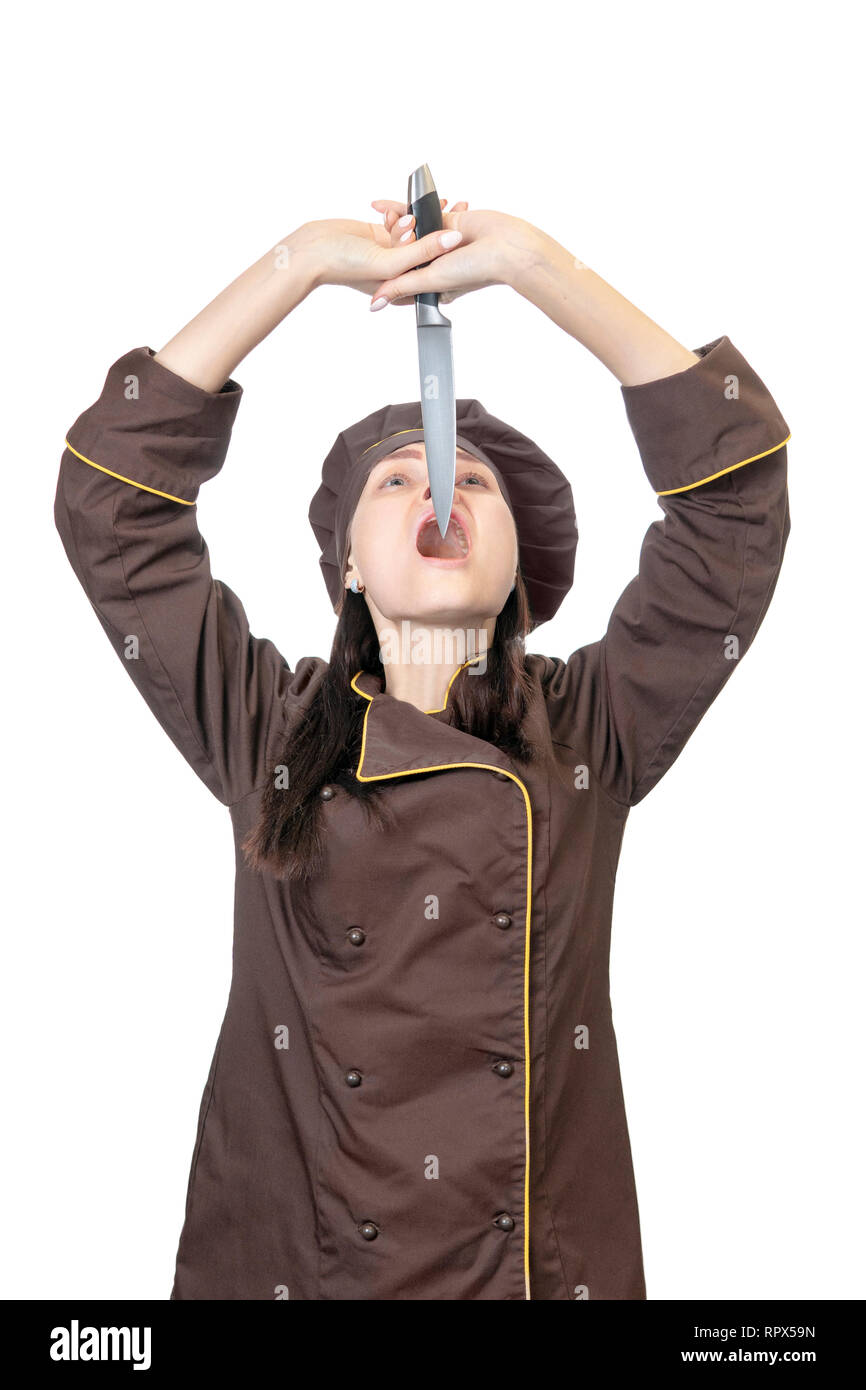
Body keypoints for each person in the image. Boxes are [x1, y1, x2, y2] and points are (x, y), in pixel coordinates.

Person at [53, 196, 791, 1301]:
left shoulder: (591, 727)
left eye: (471, 482)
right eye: (393, 480)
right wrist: (296, 265)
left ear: (515, 577)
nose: (437, 486)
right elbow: (111, 505)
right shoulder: (269, 730)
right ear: (346, 561)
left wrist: (540, 266)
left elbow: (734, 508)